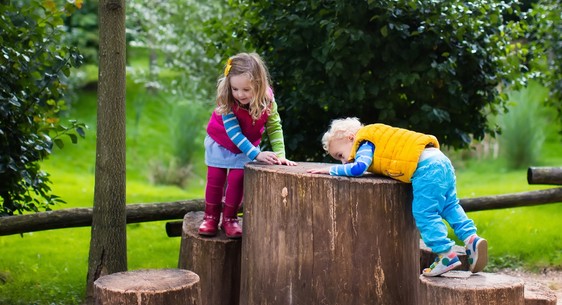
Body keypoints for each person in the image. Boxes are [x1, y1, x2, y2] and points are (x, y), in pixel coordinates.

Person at [307, 117, 487, 276]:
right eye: (338, 160)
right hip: (440, 160)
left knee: (425, 213)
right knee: (450, 206)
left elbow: (358, 168)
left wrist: (331, 170)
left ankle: (445, 254)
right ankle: (471, 239)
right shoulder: (377, 136)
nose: (344, 161)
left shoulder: (364, 142)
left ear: (350, 138)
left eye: (340, 155)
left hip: (425, 167)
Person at [200, 52, 297, 239]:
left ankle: (230, 218)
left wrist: (280, 154)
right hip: (222, 142)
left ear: (259, 85)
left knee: (237, 180)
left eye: (246, 90)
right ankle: (210, 216)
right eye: (235, 89)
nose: (239, 94)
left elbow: (274, 126)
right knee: (215, 179)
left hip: (247, 147)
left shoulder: (267, 100)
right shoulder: (227, 100)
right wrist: (257, 154)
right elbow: (234, 134)